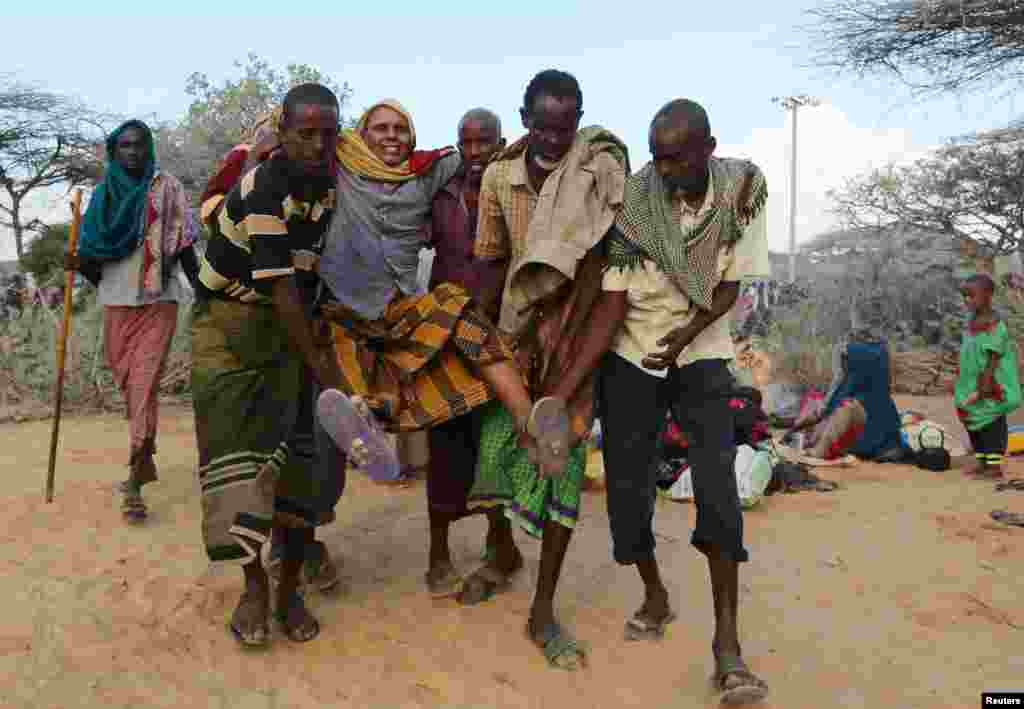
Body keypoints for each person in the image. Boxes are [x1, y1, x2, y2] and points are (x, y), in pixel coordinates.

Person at [596, 99, 769, 702]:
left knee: (719, 490)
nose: (665, 170)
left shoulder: (742, 188)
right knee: (625, 491)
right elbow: (613, 303)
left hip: (701, 352)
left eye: (677, 158)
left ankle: (728, 650)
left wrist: (687, 336)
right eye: (657, 158)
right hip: (633, 354)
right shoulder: (634, 206)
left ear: (708, 148)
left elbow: (730, 285)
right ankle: (654, 594)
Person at [313, 98, 572, 484]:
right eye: (380, 128)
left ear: (412, 136)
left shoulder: (428, 171)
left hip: (397, 307)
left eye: (400, 129)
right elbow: (290, 135)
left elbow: (483, 153)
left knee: (460, 311)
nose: (391, 137)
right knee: (354, 389)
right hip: (341, 309)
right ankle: (372, 440)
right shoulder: (339, 164)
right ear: (361, 135)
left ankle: (528, 422)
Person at [465, 70, 630, 671]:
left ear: (579, 119)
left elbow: (613, 271)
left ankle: (543, 606)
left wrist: (571, 357)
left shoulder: (603, 174)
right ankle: (501, 552)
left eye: (566, 127)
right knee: (492, 448)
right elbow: (490, 259)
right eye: (543, 126)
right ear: (525, 117)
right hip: (516, 327)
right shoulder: (499, 176)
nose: (556, 139)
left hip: (579, 331)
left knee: (559, 464)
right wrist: (478, 331)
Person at [190, 83, 346, 647]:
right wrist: (325, 374)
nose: (317, 143)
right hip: (226, 327)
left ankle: (289, 592)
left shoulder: (328, 185)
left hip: (289, 326)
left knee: (303, 460)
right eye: (305, 132)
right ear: (281, 131)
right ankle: (254, 585)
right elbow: (279, 292)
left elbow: (305, 282)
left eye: (328, 133)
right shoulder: (261, 186)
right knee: (237, 462)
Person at [64, 119, 199, 523]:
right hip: (116, 304)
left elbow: (186, 245)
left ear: (149, 147)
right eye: (124, 146)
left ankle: (135, 482)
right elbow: (94, 267)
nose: (133, 153)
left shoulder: (167, 189)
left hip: (159, 302)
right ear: (114, 151)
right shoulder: (103, 197)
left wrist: (204, 290)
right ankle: (144, 457)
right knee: (129, 384)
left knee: (143, 386)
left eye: (139, 145)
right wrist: (76, 263)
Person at [422, 107, 509, 596]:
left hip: (497, 334)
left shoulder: (514, 193)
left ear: (501, 142)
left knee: (493, 442)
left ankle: (501, 546)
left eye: (484, 142)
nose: (475, 153)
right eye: (467, 143)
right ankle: (439, 554)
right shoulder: (441, 193)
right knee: (445, 441)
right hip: (445, 335)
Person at [789, 308, 906, 463]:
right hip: (885, 420)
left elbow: (838, 380)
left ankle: (822, 450)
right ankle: (886, 448)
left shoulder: (845, 350)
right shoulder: (883, 349)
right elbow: (888, 383)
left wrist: (822, 410)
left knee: (842, 414)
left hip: (856, 418)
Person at [954, 273, 1022, 478]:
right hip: (970, 383)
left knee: (990, 422)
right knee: (973, 420)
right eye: (964, 296)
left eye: (971, 295)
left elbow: (993, 360)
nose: (967, 300)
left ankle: (993, 466)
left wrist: (984, 388)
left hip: (989, 385)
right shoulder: (973, 322)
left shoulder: (995, 326)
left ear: (988, 295)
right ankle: (983, 460)